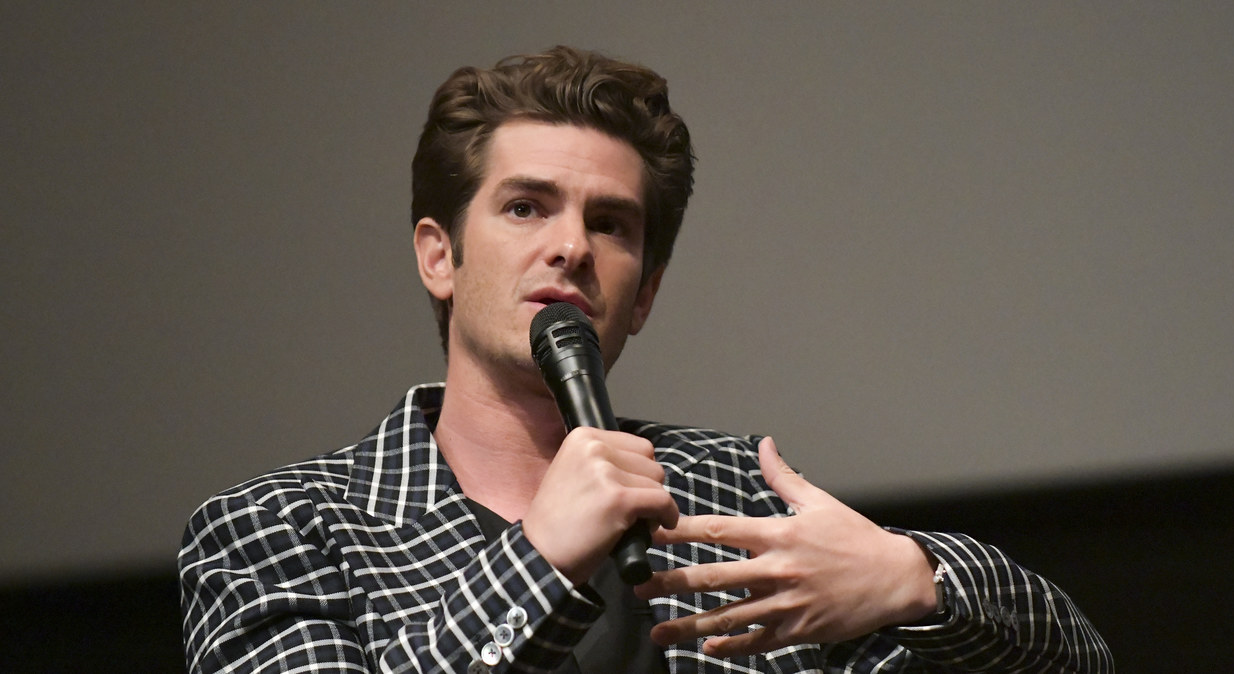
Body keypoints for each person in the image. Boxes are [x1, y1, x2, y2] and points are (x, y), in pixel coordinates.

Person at [180, 46, 1112, 673]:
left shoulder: (738, 497)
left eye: (612, 225)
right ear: (438, 255)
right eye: (524, 207)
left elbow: (1083, 662)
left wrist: (915, 579)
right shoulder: (281, 529)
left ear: (647, 291)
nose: (572, 247)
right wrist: (541, 558)